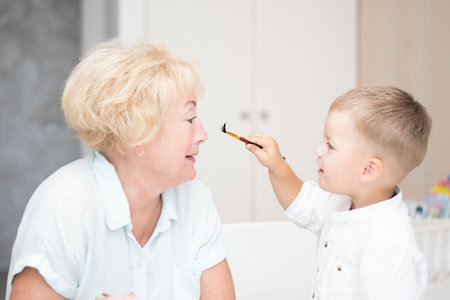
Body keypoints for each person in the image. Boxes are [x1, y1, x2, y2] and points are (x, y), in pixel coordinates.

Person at [6, 38, 235, 300]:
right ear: (137, 133)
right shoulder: (65, 203)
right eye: (190, 119)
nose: (202, 134)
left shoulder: (197, 200)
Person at [244, 86, 431, 299]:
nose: (318, 149)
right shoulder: (344, 202)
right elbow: (302, 202)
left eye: (330, 145)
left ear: (368, 170)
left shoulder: (386, 242)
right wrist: (277, 166)